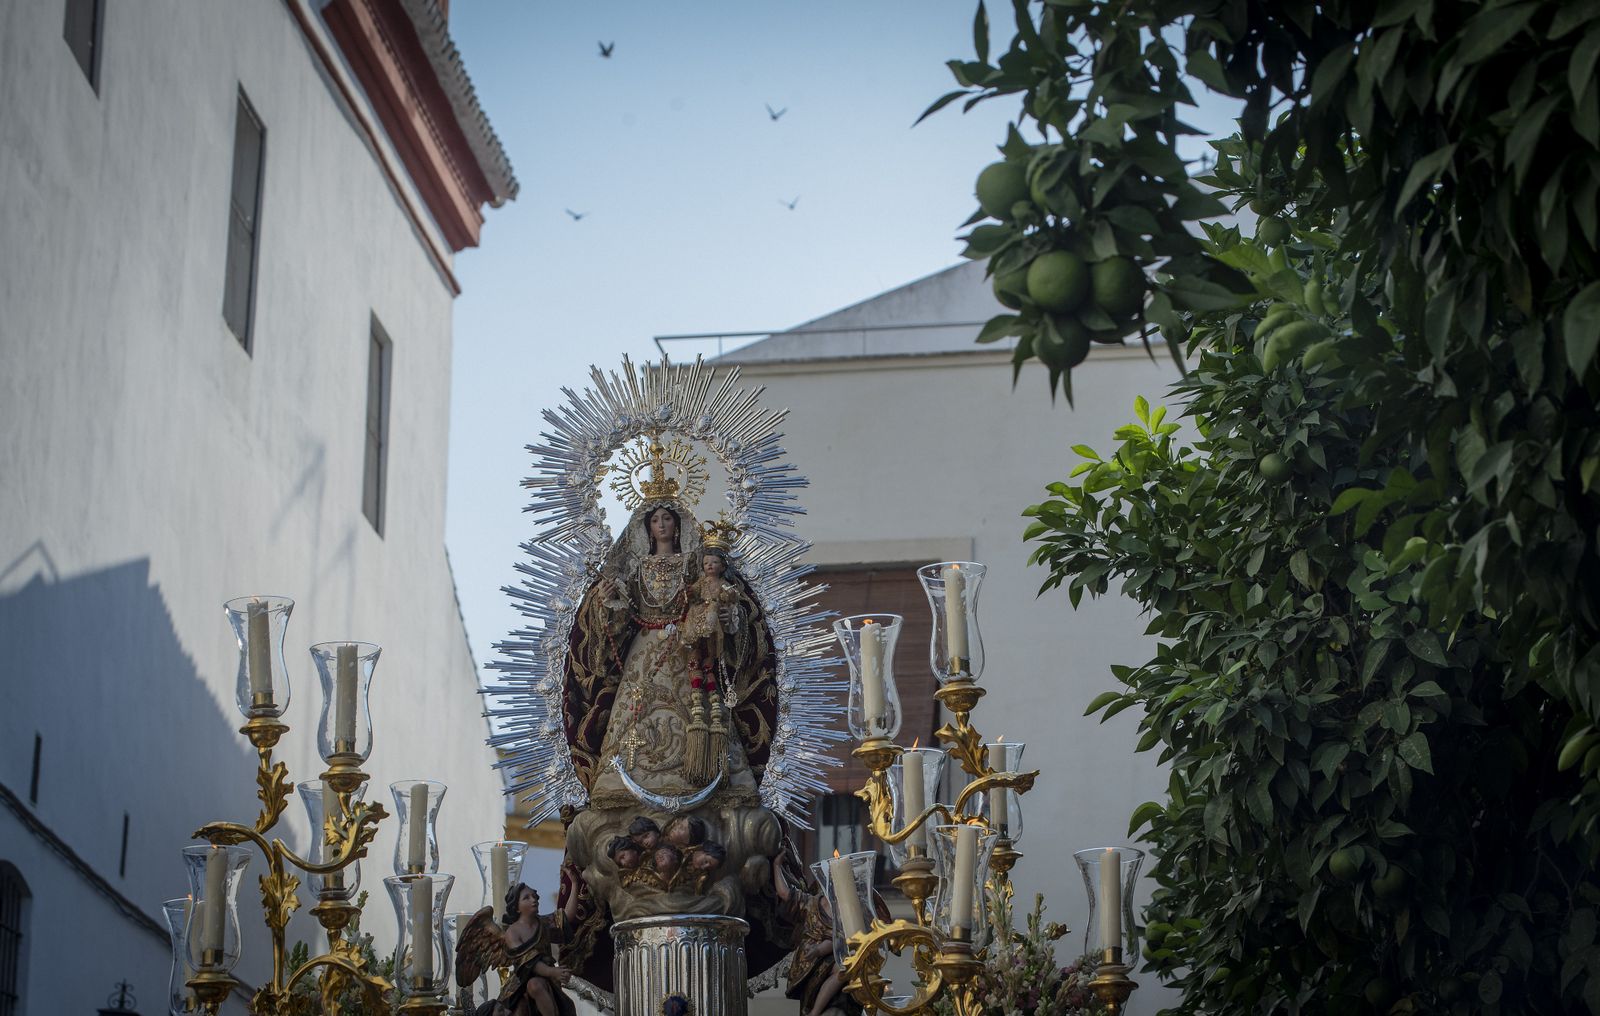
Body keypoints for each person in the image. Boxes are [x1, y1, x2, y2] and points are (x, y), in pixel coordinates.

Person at [772, 851, 859, 1016]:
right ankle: (815, 1011)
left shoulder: (847, 912)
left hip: (832, 954)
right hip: (810, 959)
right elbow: (785, 893)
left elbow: (840, 940)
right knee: (843, 967)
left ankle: (818, 1011)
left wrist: (822, 949)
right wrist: (776, 866)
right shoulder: (811, 903)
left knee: (844, 969)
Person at [493, 883, 579, 1016]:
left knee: (535, 984)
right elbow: (528, 961)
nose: (533, 900)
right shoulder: (512, 932)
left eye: (534, 896)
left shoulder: (543, 923)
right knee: (531, 987)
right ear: (517, 907)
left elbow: (567, 916)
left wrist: (574, 884)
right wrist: (552, 971)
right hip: (520, 982)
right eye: (526, 898)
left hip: (547, 979)